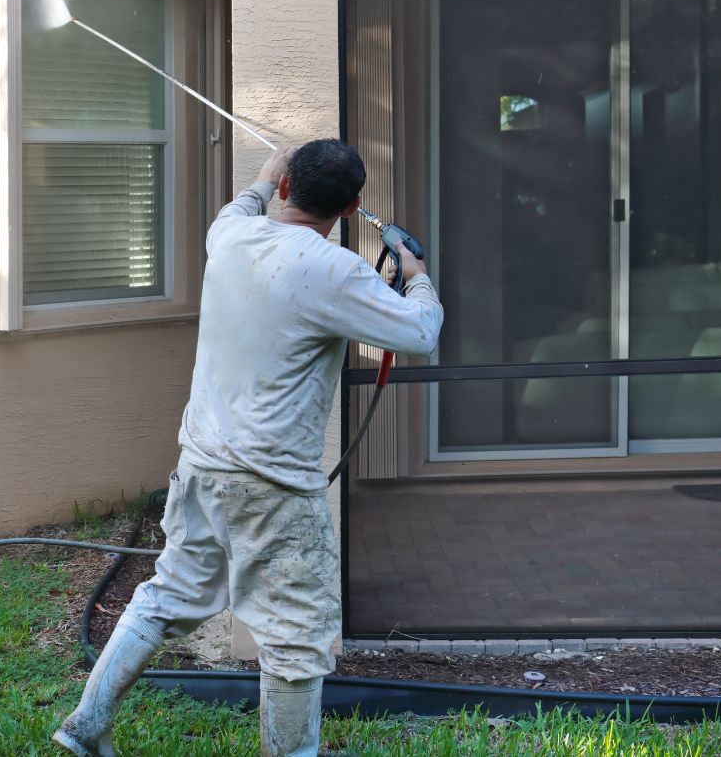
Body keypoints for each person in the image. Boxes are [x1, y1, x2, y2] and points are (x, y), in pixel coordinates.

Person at [53, 139, 444, 757]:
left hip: (202, 467)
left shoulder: (229, 237)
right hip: (274, 489)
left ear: (285, 188)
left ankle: (83, 726)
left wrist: (264, 177)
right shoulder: (335, 271)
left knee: (165, 598)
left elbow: (242, 205)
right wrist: (417, 279)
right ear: (352, 208)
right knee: (295, 636)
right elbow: (420, 332)